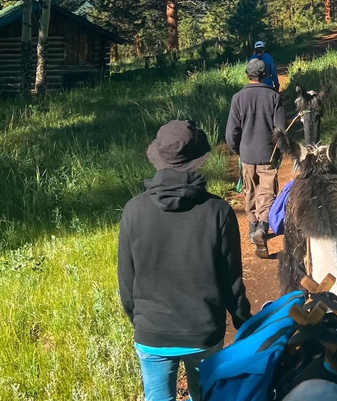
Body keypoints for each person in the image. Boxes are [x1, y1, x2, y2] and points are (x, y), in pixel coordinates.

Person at [118, 120, 252, 401]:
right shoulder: (218, 211)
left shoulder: (133, 210)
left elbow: (126, 282)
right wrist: (243, 320)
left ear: (158, 158)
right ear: (197, 162)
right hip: (202, 332)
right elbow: (232, 279)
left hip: (151, 332)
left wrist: (141, 321)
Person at [226, 58, 286, 258]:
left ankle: (253, 226)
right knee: (267, 192)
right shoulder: (273, 97)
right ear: (265, 75)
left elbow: (231, 133)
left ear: (247, 74)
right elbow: (280, 129)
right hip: (268, 153)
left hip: (247, 154)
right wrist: (279, 150)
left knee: (250, 189)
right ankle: (263, 226)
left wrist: (238, 150)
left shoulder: (237, 98)